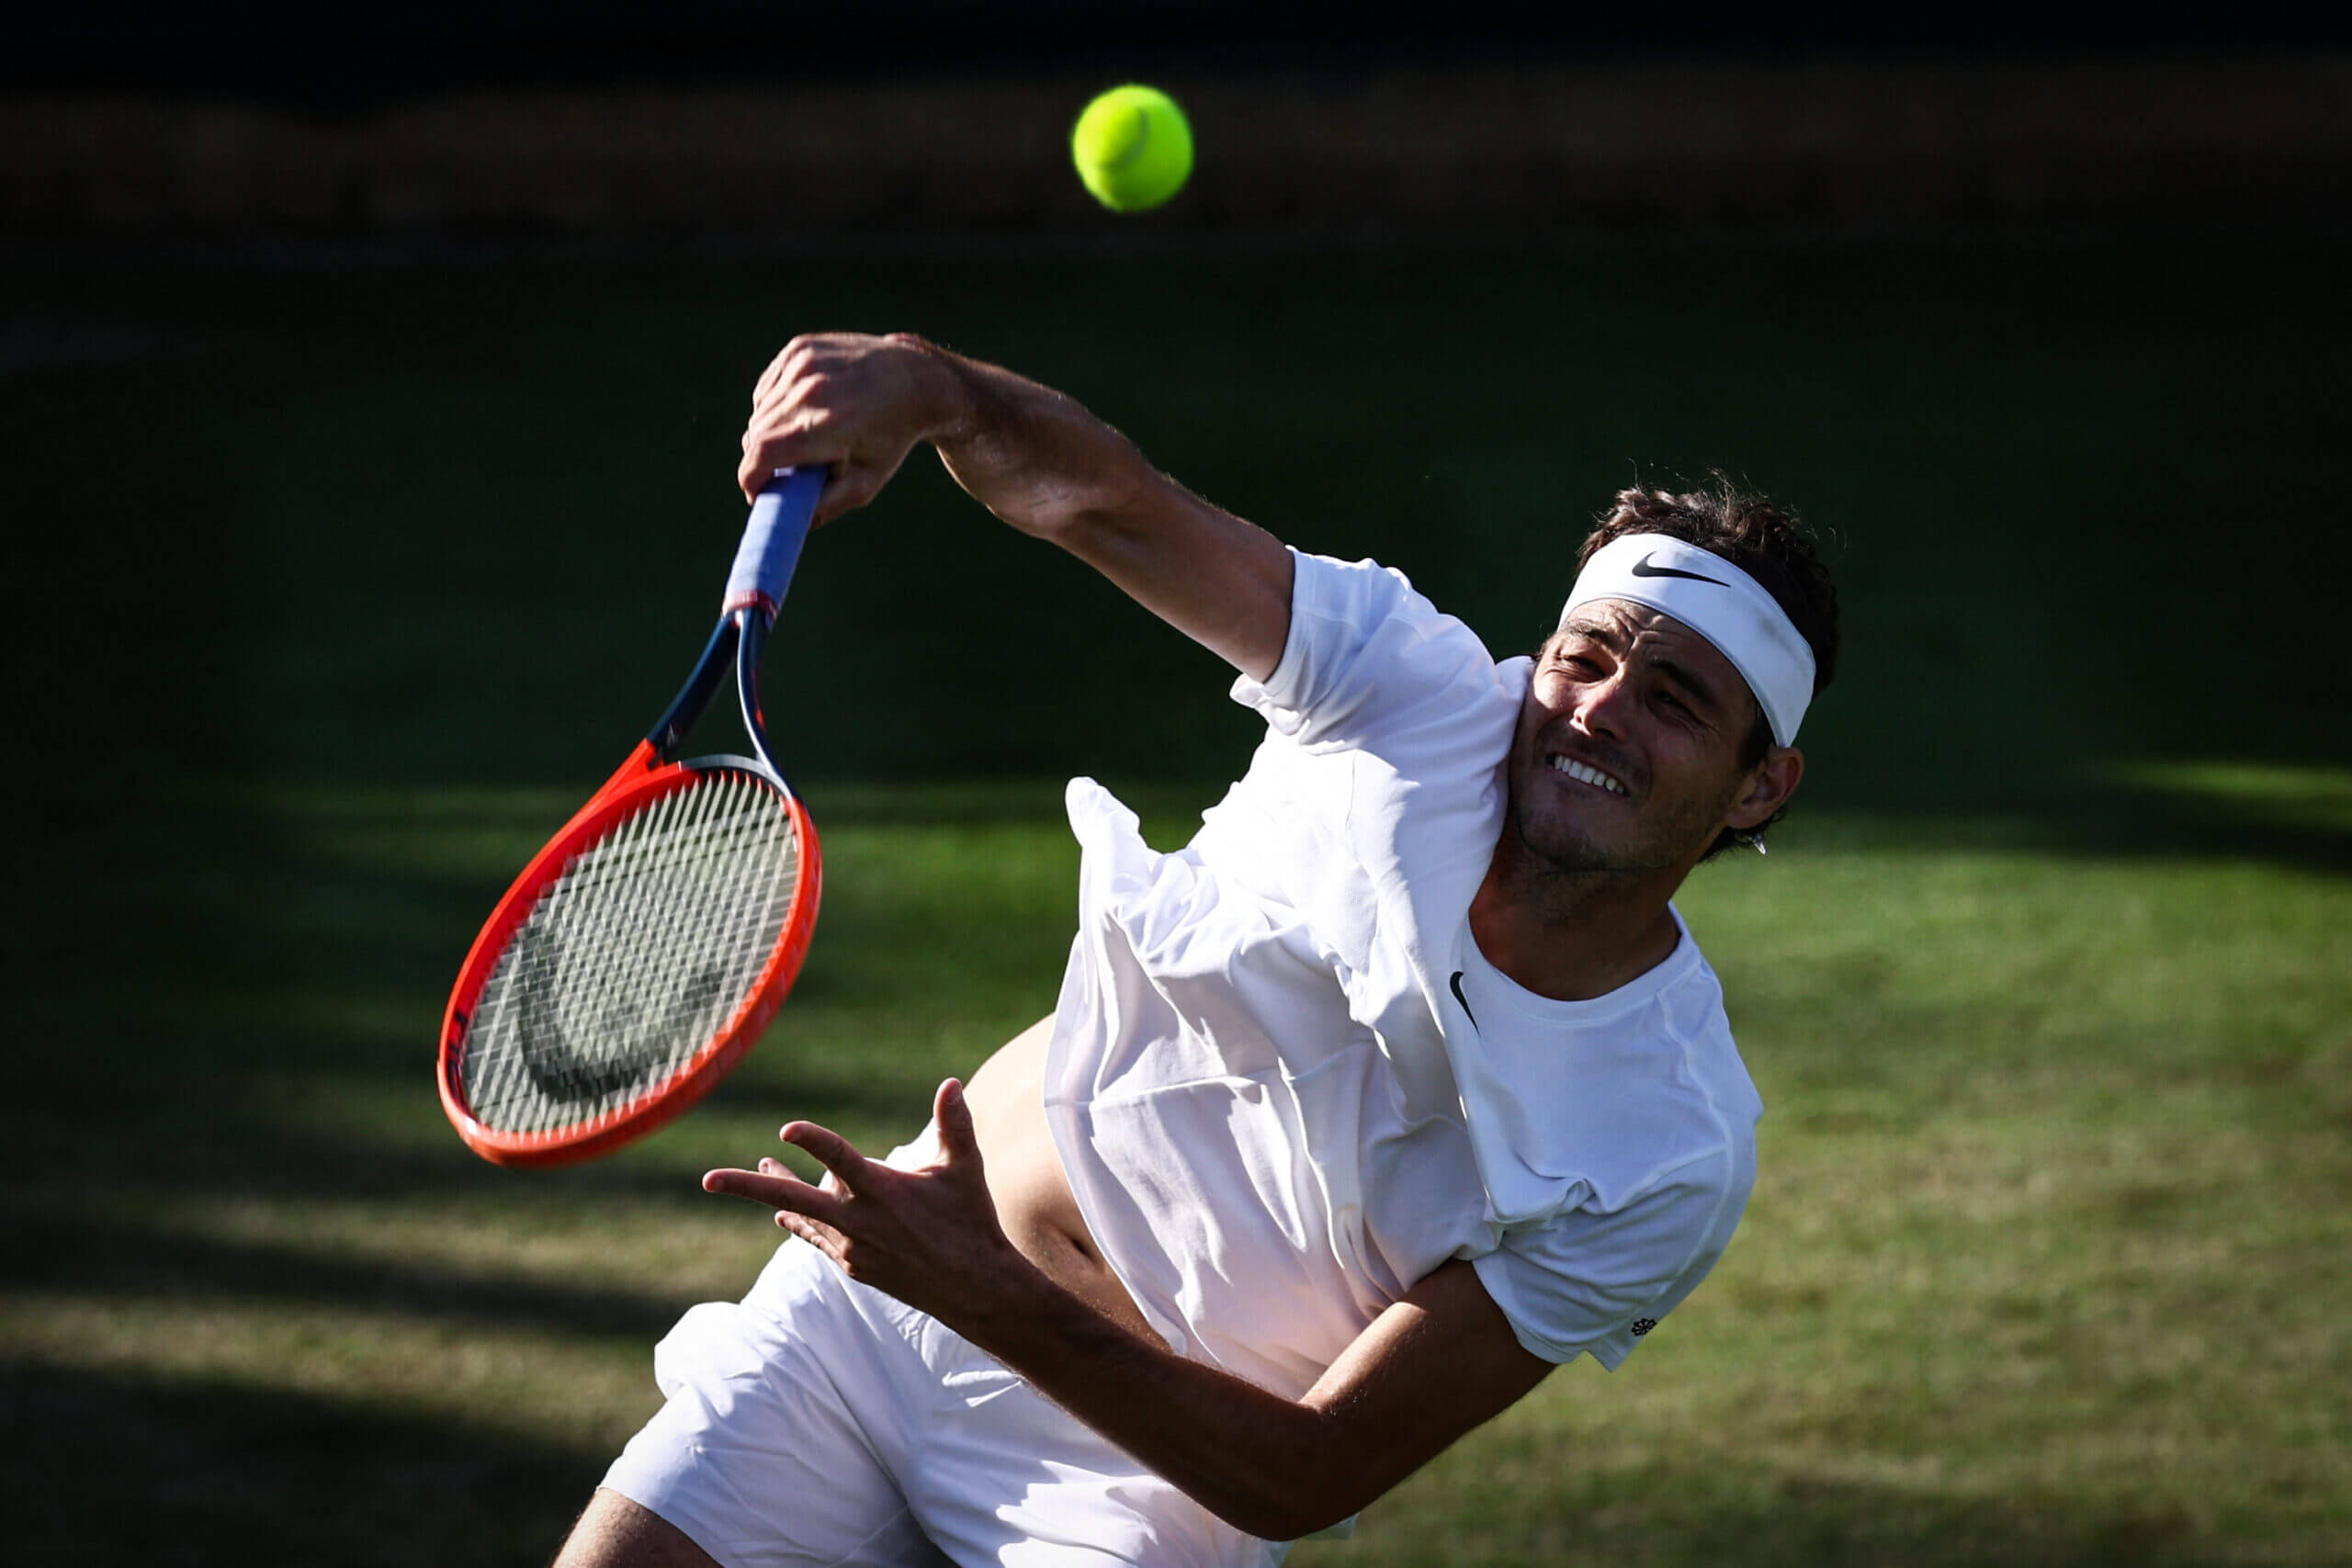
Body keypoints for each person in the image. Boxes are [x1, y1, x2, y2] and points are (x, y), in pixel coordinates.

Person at [555, 332, 1840, 1568]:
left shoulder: (1671, 1144)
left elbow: (1310, 1473)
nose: (1602, 711)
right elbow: (1108, 503)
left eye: (1674, 701)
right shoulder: (1406, 693)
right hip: (878, 1313)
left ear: (1758, 788)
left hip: (1142, 1489)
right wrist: (936, 388)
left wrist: (981, 1289)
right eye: (1586, 658)